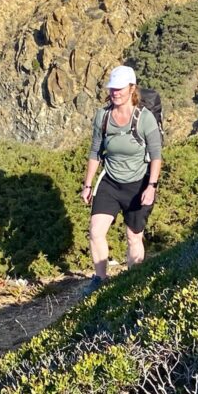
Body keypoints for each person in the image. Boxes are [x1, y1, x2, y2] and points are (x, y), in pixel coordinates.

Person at [80, 65, 162, 293]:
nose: (115, 92)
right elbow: (95, 151)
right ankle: (100, 280)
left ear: (132, 88)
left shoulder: (144, 119)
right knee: (96, 231)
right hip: (111, 182)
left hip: (139, 184)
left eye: (120, 88)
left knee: (133, 236)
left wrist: (152, 186)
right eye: (112, 88)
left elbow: (156, 155)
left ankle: (133, 283)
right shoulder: (103, 116)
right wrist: (88, 184)